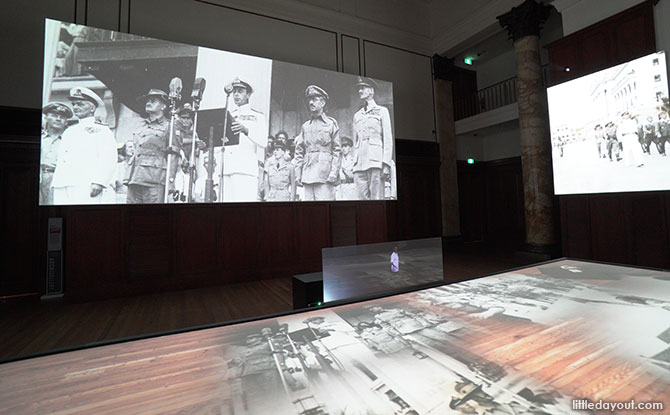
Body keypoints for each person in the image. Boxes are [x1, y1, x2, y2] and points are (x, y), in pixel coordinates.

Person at [51, 87, 118, 204]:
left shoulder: (101, 130)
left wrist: (100, 181)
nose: (76, 107)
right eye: (74, 104)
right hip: (63, 182)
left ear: (92, 108)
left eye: (80, 104)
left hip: (85, 183)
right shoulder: (69, 131)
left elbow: (108, 157)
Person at [126, 88, 181, 204]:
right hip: (134, 177)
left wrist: (170, 181)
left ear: (163, 107)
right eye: (147, 101)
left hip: (155, 179)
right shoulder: (141, 125)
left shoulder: (169, 126)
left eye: (153, 101)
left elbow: (174, 155)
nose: (148, 103)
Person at [223, 77, 267, 202]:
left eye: (240, 91)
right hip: (227, 167)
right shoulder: (229, 115)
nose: (236, 94)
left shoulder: (257, 116)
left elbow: (263, 141)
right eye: (234, 91)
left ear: (248, 94)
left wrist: (246, 130)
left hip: (245, 168)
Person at [294, 85, 341, 201]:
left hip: (325, 174)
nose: (311, 102)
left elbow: (337, 150)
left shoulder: (331, 124)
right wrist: (298, 174)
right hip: (308, 174)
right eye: (309, 99)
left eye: (315, 99)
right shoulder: (305, 126)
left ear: (323, 103)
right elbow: (299, 151)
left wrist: (334, 173)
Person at [352, 77, 393, 200]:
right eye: (359, 88)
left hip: (375, 161)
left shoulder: (382, 111)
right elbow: (355, 141)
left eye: (362, 88)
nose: (360, 91)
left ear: (371, 91)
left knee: (377, 200)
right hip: (359, 164)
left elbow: (388, 139)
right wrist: (354, 163)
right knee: (361, 201)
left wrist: (386, 164)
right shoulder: (357, 115)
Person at [40, 102, 73, 204]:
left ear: (66, 122)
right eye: (54, 116)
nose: (58, 119)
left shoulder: (71, 140)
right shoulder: (40, 138)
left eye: (62, 117)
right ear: (46, 118)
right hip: (40, 175)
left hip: (58, 178)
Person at [336, 136, 357, 200]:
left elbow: (354, 176)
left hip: (350, 188)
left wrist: (344, 170)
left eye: (345, 146)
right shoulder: (338, 161)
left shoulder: (353, 161)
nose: (343, 148)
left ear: (350, 148)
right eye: (342, 146)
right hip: (340, 188)